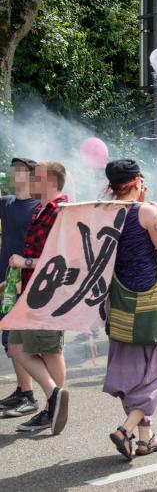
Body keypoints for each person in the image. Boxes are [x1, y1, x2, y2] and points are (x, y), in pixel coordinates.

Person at [102, 160, 157, 460]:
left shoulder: (103, 212)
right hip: (150, 302)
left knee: (133, 370)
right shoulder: (145, 212)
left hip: (118, 301)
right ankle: (126, 428)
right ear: (137, 181)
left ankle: (147, 439)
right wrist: (156, 215)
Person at [7, 162, 69, 434]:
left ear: (52, 181)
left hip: (48, 293)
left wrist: (25, 262)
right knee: (16, 347)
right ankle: (55, 395)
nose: (31, 180)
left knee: (49, 349)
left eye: (37, 177)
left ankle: (51, 406)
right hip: (31, 291)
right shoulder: (42, 208)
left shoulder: (60, 212)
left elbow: (61, 258)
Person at [0, 158, 40, 420]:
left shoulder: (38, 207)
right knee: (8, 339)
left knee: (17, 340)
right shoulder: (5, 204)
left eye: (19, 171)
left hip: (23, 281)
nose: (13, 174)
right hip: (4, 279)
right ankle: (22, 389)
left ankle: (32, 396)